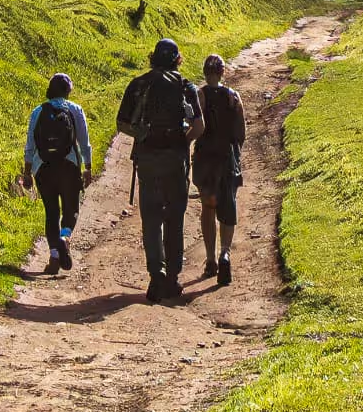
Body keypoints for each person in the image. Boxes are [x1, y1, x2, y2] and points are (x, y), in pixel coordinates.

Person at [111, 37, 199, 302]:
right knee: (175, 218)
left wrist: (143, 133)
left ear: (153, 58)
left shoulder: (139, 84)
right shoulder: (185, 86)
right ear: (176, 60)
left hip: (148, 158)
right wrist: (183, 140)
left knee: (151, 218)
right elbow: (200, 126)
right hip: (176, 158)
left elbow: (121, 123)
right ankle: (172, 278)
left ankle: (156, 274)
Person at [23, 72, 92, 274]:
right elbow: (84, 143)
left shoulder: (38, 111)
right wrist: (87, 167)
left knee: (51, 211)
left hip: (43, 167)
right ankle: (65, 237)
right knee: (71, 209)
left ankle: (54, 256)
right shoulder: (75, 109)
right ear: (68, 91)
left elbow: (30, 145)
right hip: (69, 166)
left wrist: (28, 172)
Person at [188, 50, 245, 288]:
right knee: (228, 205)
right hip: (226, 158)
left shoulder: (199, 96)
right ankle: (225, 253)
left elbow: (193, 125)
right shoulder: (234, 97)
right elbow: (241, 133)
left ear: (204, 72)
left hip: (205, 160)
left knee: (208, 208)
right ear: (223, 72)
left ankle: (210, 258)